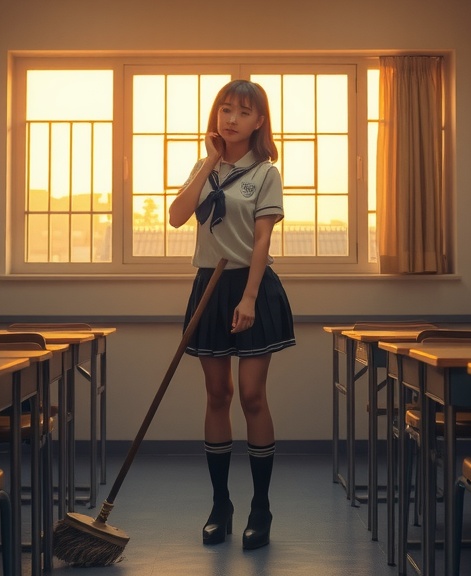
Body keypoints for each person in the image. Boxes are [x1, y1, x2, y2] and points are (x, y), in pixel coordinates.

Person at [169, 79, 296, 550]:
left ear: (259, 121)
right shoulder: (205, 169)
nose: (231, 118)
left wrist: (248, 297)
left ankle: (260, 506)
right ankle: (220, 503)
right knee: (217, 394)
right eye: (225, 109)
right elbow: (178, 215)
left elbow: (262, 240)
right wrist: (207, 161)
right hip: (209, 285)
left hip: (251, 287)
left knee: (252, 397)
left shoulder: (266, 173)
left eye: (243, 112)